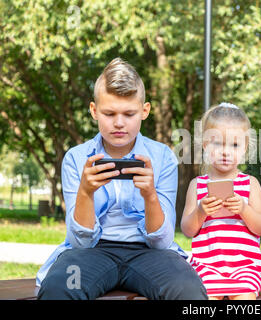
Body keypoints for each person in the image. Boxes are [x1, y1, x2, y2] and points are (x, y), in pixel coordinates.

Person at [36, 57, 207, 300]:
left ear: (144, 111)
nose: (119, 123)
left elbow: (162, 241)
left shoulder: (162, 158)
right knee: (61, 286)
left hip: (150, 254)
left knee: (187, 289)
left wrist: (150, 196)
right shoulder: (76, 158)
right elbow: (80, 242)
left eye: (129, 114)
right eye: (109, 113)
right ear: (94, 111)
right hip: (91, 253)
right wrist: (85, 193)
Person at [181, 102, 261, 300]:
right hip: (207, 265)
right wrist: (201, 211)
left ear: (245, 147)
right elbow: (187, 230)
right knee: (205, 297)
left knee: (245, 297)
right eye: (217, 144)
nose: (225, 152)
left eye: (235, 145)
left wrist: (244, 209)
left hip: (245, 266)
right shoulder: (197, 185)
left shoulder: (250, 184)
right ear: (205, 145)